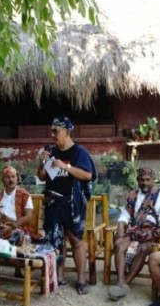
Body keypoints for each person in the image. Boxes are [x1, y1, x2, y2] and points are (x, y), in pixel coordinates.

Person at [36, 115, 96, 295]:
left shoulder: (79, 152)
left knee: (76, 240)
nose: (52, 134)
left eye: (56, 131)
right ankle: (59, 276)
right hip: (53, 202)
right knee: (57, 239)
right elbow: (42, 177)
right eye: (52, 130)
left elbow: (87, 175)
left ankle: (81, 280)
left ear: (68, 131)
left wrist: (65, 166)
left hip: (73, 204)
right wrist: (42, 161)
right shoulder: (52, 151)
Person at [108, 167, 160, 301]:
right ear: (137, 180)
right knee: (119, 244)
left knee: (143, 248)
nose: (145, 183)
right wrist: (120, 230)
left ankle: (126, 282)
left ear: (153, 180)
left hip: (152, 231)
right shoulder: (132, 195)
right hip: (136, 230)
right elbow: (125, 215)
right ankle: (120, 281)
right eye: (142, 180)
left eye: (148, 180)